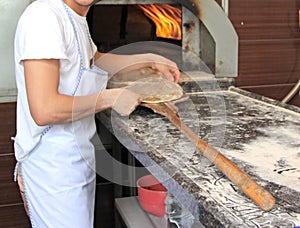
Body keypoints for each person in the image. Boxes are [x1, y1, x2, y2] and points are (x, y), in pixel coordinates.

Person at [13, 0, 180, 227]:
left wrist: (149, 60)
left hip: (75, 158)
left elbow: (93, 60)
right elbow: (44, 109)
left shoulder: (74, 16)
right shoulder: (44, 17)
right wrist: (110, 98)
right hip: (52, 168)